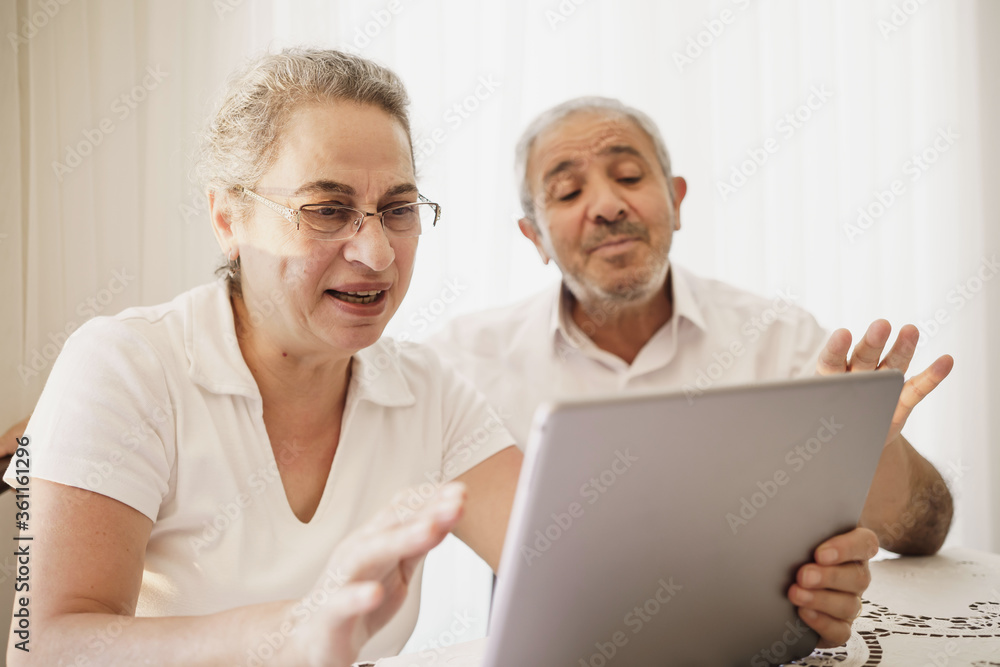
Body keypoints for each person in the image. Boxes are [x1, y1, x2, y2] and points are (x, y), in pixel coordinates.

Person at [3, 49, 523, 666]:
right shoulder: (125, 365)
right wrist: (294, 635)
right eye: (328, 210)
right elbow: (45, 648)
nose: (379, 253)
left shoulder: (428, 389)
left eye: (398, 209)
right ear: (229, 218)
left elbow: (566, 573)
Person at [428, 96, 955, 646]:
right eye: (568, 191)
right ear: (534, 236)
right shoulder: (463, 362)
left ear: (677, 202)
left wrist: (866, 442)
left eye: (629, 176)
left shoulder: (777, 338)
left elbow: (925, 531)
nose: (607, 205)